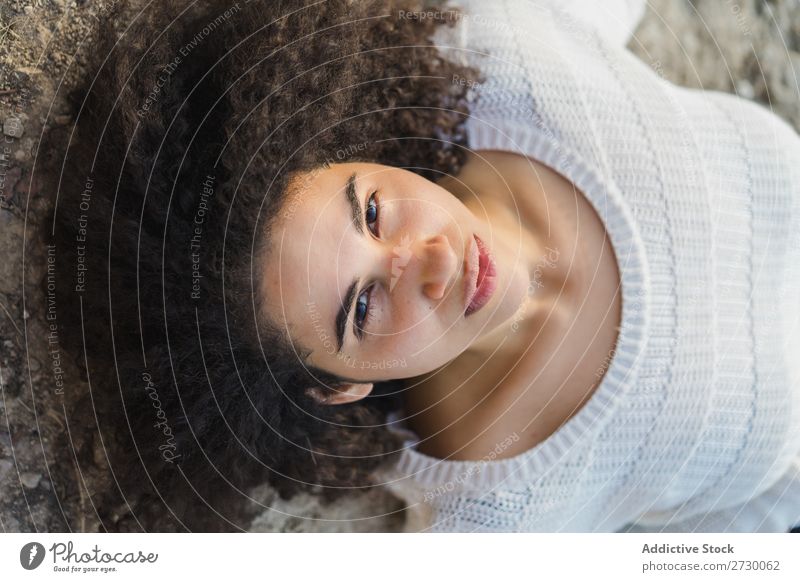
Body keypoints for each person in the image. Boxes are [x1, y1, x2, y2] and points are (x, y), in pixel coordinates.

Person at [45, 0, 800, 532]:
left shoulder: (503, 57)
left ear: (348, 148)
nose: (433, 264)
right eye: (363, 308)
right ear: (337, 385)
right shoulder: (500, 521)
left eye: (371, 211)